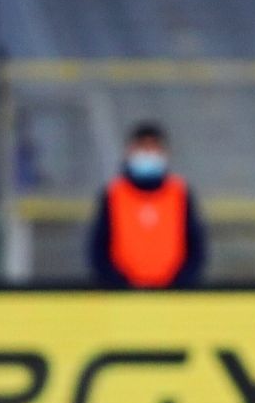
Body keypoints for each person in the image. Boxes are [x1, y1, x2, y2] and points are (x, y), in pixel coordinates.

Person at [88, 122, 206, 288]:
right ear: (129, 152)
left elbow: (196, 246)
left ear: (165, 153)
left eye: (153, 148)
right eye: (142, 148)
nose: (148, 154)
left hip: (173, 295)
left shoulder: (180, 193)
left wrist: (181, 284)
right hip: (122, 295)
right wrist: (117, 285)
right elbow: (98, 247)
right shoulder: (114, 194)